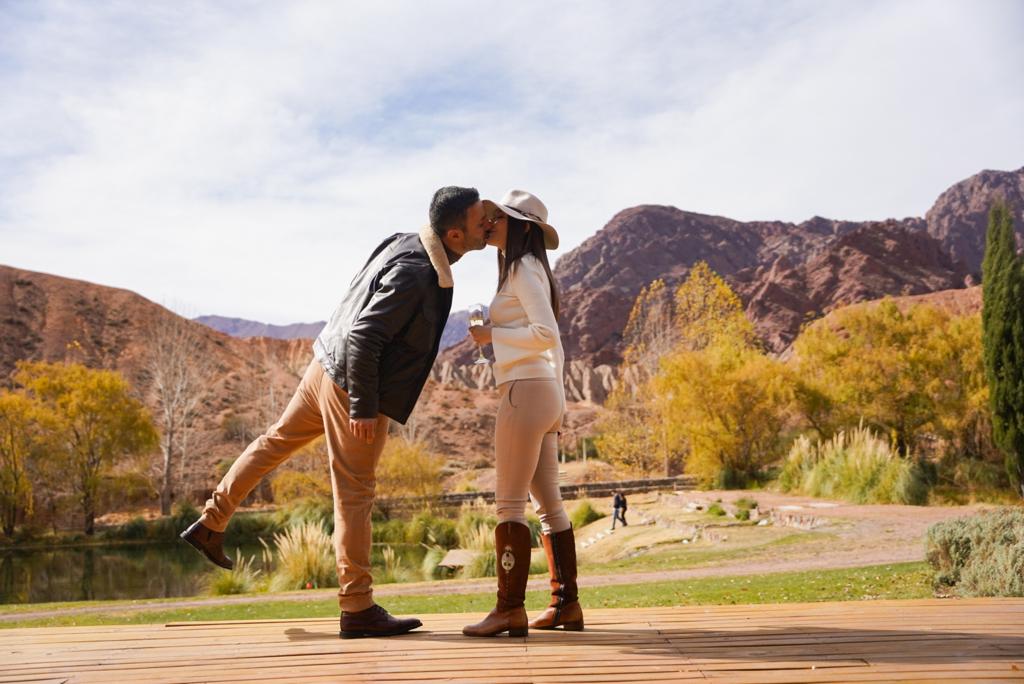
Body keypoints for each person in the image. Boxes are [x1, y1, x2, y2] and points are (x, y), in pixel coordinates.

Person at [180, 186, 490, 639]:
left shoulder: (403, 241)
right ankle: (358, 607)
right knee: (355, 494)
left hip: (324, 366)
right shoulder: (419, 271)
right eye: (482, 221)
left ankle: (211, 522)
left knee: (275, 442)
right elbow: (366, 334)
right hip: (353, 386)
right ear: (456, 233)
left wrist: (494, 217)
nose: (488, 225)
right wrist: (364, 406)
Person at [462, 189, 583, 638]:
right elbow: (556, 343)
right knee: (549, 504)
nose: (490, 223)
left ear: (523, 227)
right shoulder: (534, 271)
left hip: (525, 391)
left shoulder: (521, 269)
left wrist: (492, 336)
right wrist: (560, 404)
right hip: (544, 392)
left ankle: (509, 609)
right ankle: (565, 604)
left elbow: (545, 333)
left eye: (501, 218)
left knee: (509, 503)